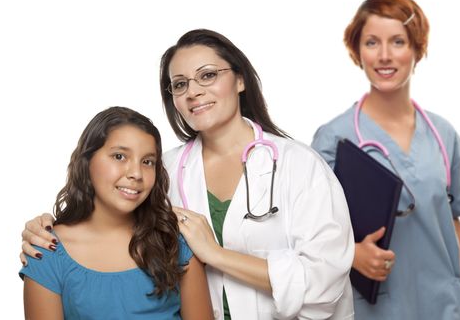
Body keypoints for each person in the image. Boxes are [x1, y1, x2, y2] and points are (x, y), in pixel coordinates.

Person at [20, 30, 355, 319]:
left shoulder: (300, 166)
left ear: (240, 80)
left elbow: (324, 283)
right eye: (180, 84)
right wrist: (45, 226)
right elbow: (104, 221)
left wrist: (216, 255)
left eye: (207, 75)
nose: (193, 91)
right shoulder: (158, 171)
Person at [311, 0, 460, 319]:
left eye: (398, 42)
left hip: (447, 305)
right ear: (357, 51)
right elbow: (310, 234)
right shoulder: (333, 139)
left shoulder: (443, 134)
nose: (384, 56)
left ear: (418, 49)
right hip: (375, 309)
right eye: (372, 42)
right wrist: (351, 255)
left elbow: (453, 219)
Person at [19, 106, 213, 320]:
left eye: (147, 162)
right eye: (119, 156)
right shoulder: (48, 250)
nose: (136, 173)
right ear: (87, 161)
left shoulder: (174, 242)